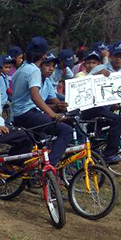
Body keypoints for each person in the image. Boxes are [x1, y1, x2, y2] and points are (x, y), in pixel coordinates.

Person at [10, 37, 73, 168]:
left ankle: (28, 164)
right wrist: (52, 114)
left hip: (18, 113)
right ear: (44, 56)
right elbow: (35, 96)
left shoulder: (21, 68)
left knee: (43, 140)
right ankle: (49, 166)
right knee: (66, 131)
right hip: (27, 113)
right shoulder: (34, 70)